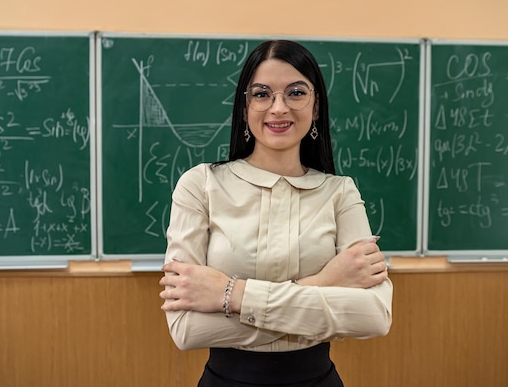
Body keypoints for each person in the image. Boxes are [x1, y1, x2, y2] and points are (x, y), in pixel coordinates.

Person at [159, 40, 393, 387]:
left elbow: (373, 316)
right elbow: (187, 329)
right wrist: (325, 284)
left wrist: (231, 295)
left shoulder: (340, 192)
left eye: (296, 93)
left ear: (316, 108)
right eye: (262, 94)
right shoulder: (201, 185)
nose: (278, 108)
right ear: (244, 108)